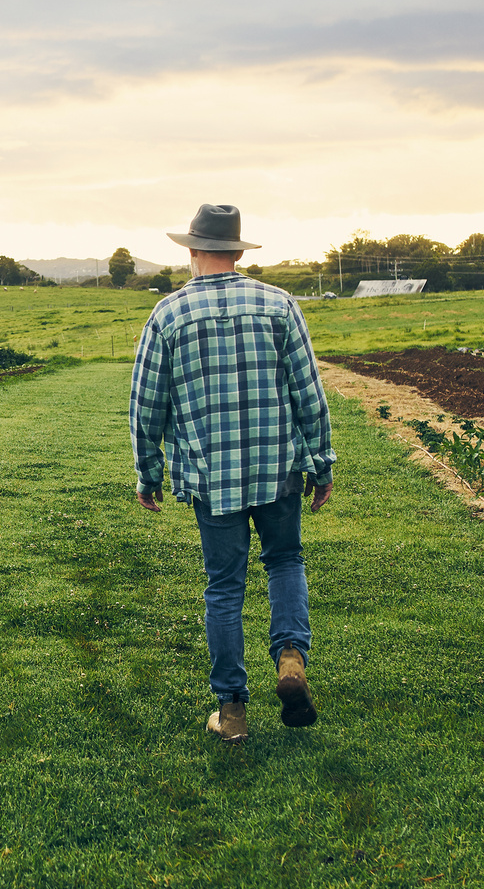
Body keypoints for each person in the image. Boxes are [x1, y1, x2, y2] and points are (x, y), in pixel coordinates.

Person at [129, 203, 335, 745]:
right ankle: (290, 656)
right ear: (238, 252)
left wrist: (149, 473)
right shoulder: (280, 305)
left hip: (210, 473)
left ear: (193, 251)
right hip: (279, 468)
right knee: (285, 560)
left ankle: (233, 709)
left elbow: (147, 406)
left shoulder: (168, 315)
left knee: (224, 586)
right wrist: (322, 461)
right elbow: (308, 393)